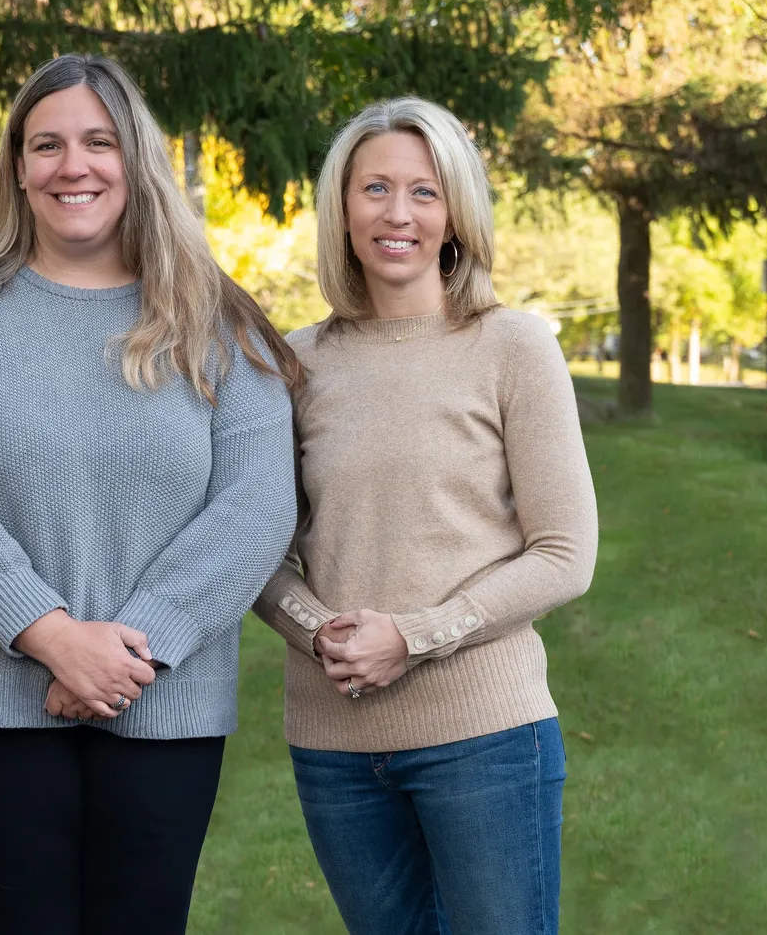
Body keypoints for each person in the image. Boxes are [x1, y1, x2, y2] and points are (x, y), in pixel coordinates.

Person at [0, 53, 302, 935]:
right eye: (47, 144)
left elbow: (256, 511)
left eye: (99, 141)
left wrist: (131, 654)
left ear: (135, 160)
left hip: (165, 708)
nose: (75, 166)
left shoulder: (217, 321)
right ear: (17, 169)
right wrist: (53, 637)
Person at [252, 97, 599, 935]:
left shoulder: (512, 346)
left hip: (485, 738)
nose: (397, 213)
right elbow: (257, 549)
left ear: (455, 216)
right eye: (375, 188)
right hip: (333, 747)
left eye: (424, 191)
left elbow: (564, 552)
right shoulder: (293, 363)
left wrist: (415, 635)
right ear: (342, 207)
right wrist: (320, 631)